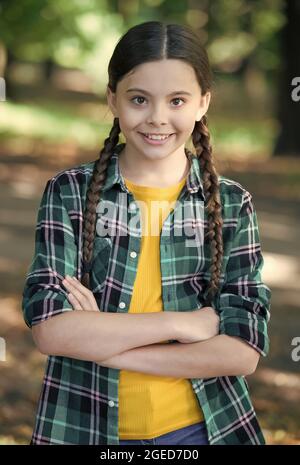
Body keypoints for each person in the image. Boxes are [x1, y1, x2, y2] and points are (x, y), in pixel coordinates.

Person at [22, 21, 271, 445]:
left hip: (202, 431)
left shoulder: (230, 204)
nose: (157, 118)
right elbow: (51, 330)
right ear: (112, 99)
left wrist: (100, 337)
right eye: (139, 99)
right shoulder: (70, 194)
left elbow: (242, 352)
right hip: (83, 427)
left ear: (202, 103)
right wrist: (186, 323)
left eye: (177, 100)